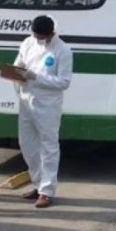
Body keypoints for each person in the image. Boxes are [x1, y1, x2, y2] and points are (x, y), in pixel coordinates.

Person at [13, 15, 73, 208]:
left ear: (50, 34)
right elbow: (18, 65)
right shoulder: (28, 43)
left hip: (48, 105)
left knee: (48, 147)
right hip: (26, 101)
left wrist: (35, 77)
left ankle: (46, 191)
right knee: (27, 144)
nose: (37, 38)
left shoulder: (62, 50)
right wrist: (17, 74)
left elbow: (64, 82)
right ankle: (37, 183)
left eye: (41, 36)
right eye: (35, 34)